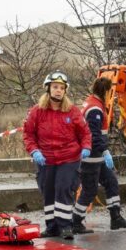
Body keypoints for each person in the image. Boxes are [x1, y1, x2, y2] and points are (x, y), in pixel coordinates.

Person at [23, 71, 91, 240]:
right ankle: (52, 226)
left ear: (65, 91)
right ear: (48, 89)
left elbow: (85, 133)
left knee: (64, 189)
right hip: (45, 159)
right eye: (55, 87)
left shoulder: (73, 111)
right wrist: (34, 150)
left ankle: (65, 226)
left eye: (61, 88)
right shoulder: (37, 112)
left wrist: (86, 146)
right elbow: (28, 134)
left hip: (69, 158)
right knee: (48, 192)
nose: (58, 90)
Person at [72, 76, 126, 233]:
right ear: (107, 91)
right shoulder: (95, 109)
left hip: (96, 157)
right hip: (92, 157)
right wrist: (106, 151)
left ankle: (116, 218)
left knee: (111, 182)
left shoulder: (92, 102)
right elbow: (94, 135)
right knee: (89, 190)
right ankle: (76, 221)